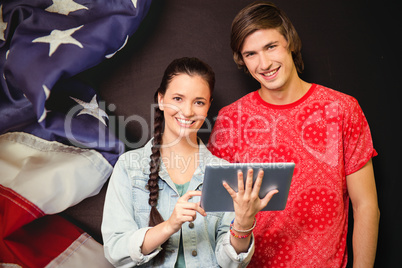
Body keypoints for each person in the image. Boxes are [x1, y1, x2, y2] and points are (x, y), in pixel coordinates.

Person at [207, 2, 380, 267]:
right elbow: (215, 214)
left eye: (271, 46)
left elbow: (366, 206)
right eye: (251, 54)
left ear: (289, 41)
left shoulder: (341, 109)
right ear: (241, 59)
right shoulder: (231, 119)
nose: (264, 64)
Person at [101, 57, 278, 267]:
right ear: (161, 99)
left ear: (208, 106)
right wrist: (170, 225)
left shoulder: (223, 172)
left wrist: (244, 224)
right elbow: (116, 250)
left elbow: (232, 263)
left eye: (199, 102)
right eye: (177, 98)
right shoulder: (129, 167)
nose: (187, 111)